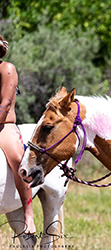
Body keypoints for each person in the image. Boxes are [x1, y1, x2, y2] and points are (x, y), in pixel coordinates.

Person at [0, 35, 36, 234]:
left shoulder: (6, 69)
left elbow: (5, 104)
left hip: (3, 126)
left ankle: (28, 214)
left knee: (17, 159)